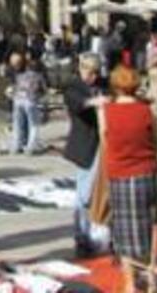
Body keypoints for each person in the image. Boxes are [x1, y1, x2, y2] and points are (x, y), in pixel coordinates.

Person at [100, 65, 157, 268]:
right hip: (146, 171)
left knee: (123, 223)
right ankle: (149, 270)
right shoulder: (146, 111)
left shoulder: (106, 112)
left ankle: (129, 274)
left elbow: (105, 142)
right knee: (149, 222)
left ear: (115, 87)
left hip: (119, 172)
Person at [63, 53, 106, 257]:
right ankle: (81, 236)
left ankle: (93, 235)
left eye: (96, 72)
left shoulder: (103, 83)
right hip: (86, 144)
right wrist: (95, 102)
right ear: (81, 69)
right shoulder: (73, 85)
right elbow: (78, 104)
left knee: (96, 191)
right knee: (85, 193)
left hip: (104, 142)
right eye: (90, 72)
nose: (94, 77)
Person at [10, 53, 46, 154]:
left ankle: (17, 145)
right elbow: (43, 89)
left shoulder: (19, 75)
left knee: (18, 124)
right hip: (31, 100)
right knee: (33, 124)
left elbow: (14, 87)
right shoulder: (38, 76)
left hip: (18, 99)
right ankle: (31, 147)